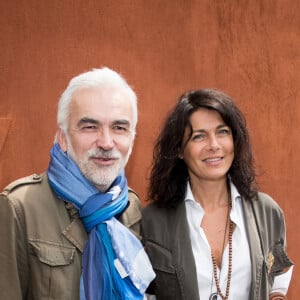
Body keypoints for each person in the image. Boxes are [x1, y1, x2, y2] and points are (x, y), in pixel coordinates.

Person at [0, 67, 155, 300]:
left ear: (132, 139)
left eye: (119, 128)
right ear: (63, 137)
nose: (106, 142)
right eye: (90, 127)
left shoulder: (130, 206)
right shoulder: (18, 209)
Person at [141, 89, 293, 300]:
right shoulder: (152, 222)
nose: (213, 145)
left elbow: (278, 280)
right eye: (199, 136)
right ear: (179, 150)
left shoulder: (267, 212)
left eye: (222, 132)